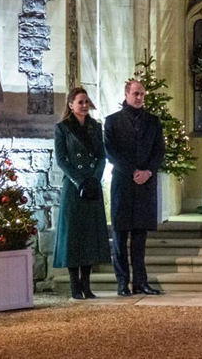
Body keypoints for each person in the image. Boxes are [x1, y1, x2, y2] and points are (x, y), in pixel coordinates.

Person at [104, 79, 165, 296]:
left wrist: (148, 171)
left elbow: (159, 151)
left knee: (139, 238)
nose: (139, 98)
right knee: (120, 237)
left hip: (145, 184)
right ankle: (122, 283)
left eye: (142, 94)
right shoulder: (112, 122)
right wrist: (132, 172)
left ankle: (141, 282)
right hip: (123, 183)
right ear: (126, 94)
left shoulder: (153, 122)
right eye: (135, 94)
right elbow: (111, 152)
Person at [53, 87, 111, 300]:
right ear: (71, 105)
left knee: (89, 235)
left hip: (92, 186)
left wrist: (95, 179)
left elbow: (101, 156)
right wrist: (79, 181)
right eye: (80, 102)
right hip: (74, 186)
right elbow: (62, 159)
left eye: (86, 101)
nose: (84, 105)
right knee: (73, 235)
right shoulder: (62, 128)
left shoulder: (96, 127)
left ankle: (87, 284)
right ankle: (74, 285)